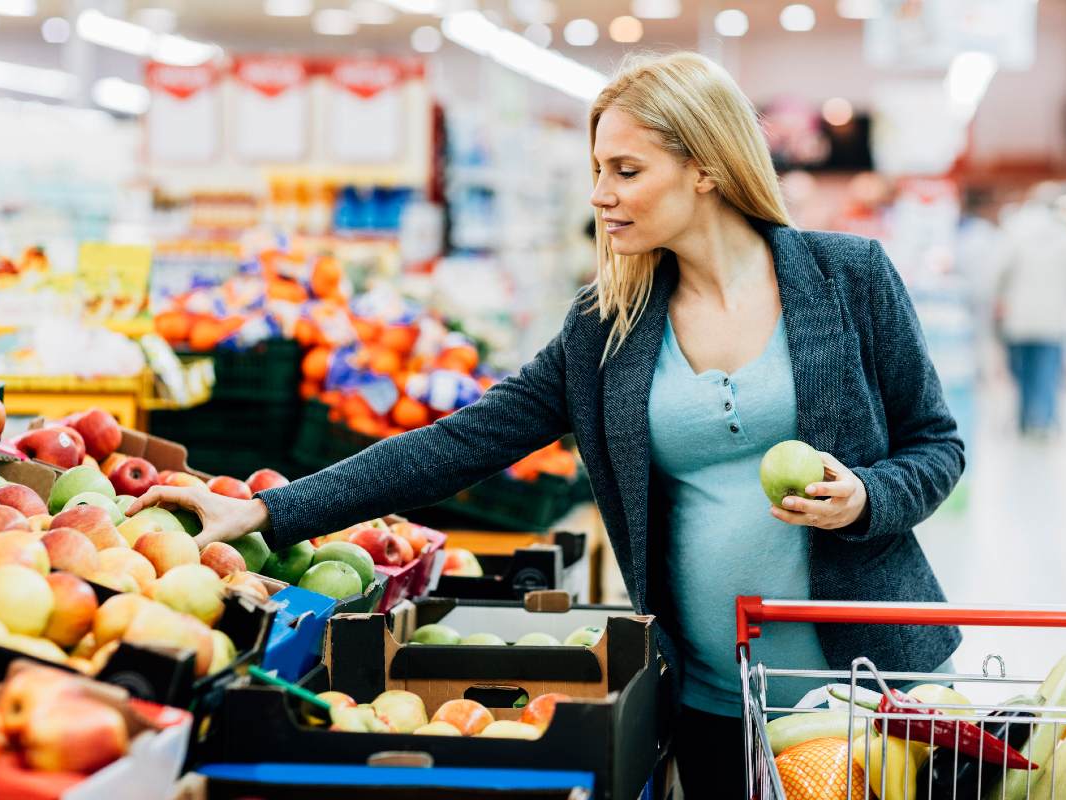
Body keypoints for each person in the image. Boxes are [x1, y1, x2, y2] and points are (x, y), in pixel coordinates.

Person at [130, 52, 964, 798]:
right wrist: (274, 511)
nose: (600, 194)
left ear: (705, 168)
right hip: (718, 698)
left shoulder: (848, 278)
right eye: (598, 168)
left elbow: (937, 444)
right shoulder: (609, 324)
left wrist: (866, 496)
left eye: (626, 169)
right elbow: (465, 440)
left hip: (874, 690)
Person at [994, 195, 1066, 440]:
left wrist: (1000, 298)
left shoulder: (1015, 231)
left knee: (1022, 370)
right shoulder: (1064, 235)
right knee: (1047, 370)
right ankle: (1045, 420)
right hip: (1052, 318)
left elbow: (1000, 271)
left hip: (1019, 316)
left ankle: (1025, 419)